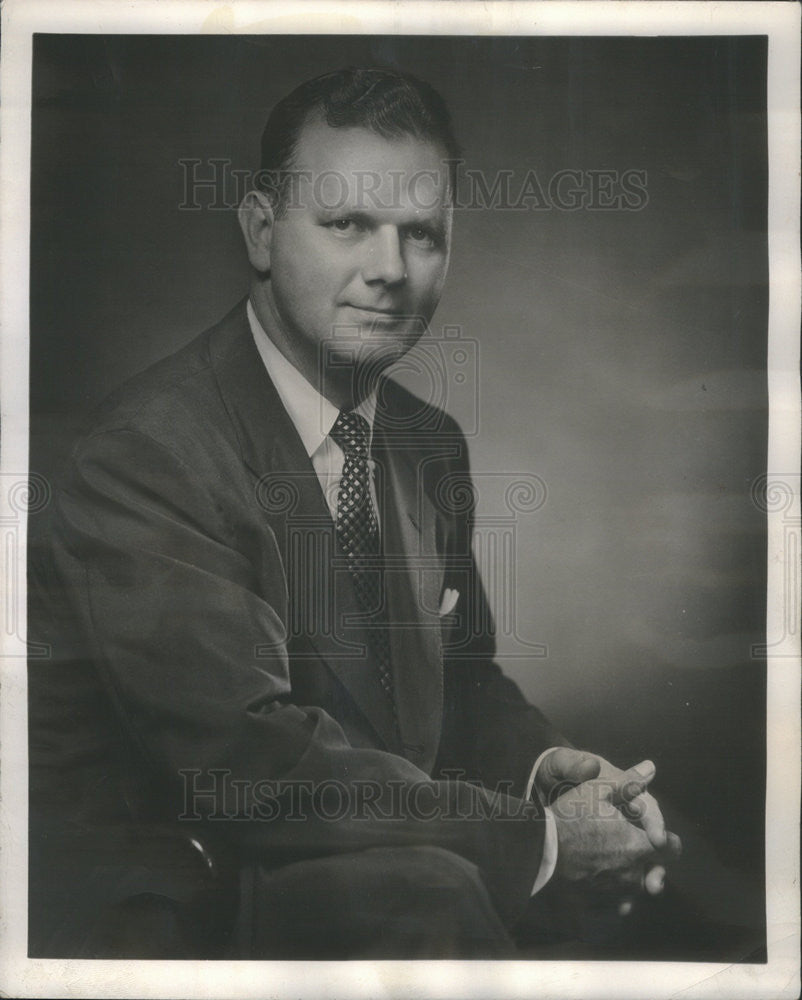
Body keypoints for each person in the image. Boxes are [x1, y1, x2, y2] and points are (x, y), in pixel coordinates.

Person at [28, 66, 680, 959]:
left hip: (357, 861)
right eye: (347, 225)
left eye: (422, 234)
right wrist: (545, 841)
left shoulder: (425, 440)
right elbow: (248, 768)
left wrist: (547, 773)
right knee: (439, 893)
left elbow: (463, 682)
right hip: (187, 905)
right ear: (261, 232)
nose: (390, 270)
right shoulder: (149, 454)